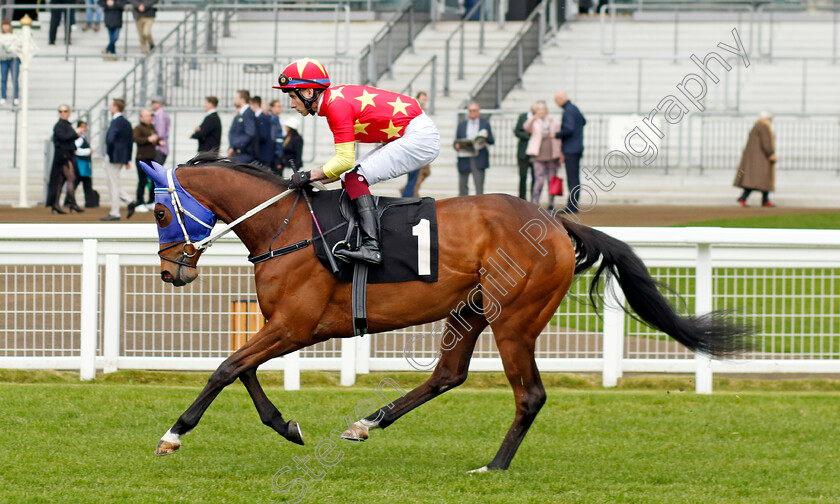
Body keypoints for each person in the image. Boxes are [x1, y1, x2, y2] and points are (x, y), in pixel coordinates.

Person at [276, 57, 440, 265]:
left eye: (292, 96)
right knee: (349, 177)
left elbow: (345, 160)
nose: (291, 105)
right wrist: (312, 181)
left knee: (355, 177)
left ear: (309, 93)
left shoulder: (336, 107)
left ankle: (372, 247)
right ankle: (358, 238)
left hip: (419, 137)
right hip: (410, 132)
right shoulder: (334, 102)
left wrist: (309, 175)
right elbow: (343, 167)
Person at [524, 101, 563, 209]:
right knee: (539, 180)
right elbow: (526, 127)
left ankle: (551, 204)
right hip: (538, 155)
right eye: (539, 110)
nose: (541, 112)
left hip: (552, 154)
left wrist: (560, 153)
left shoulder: (552, 121)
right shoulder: (533, 121)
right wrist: (533, 118)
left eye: (543, 110)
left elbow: (558, 136)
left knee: (551, 180)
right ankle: (534, 203)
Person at [735, 110, 777, 207]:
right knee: (761, 179)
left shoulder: (757, 126)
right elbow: (766, 143)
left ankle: (763, 199)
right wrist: (771, 154)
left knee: (759, 181)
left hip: (755, 158)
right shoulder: (764, 127)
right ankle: (748, 198)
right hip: (761, 159)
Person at [46, 104, 82, 214]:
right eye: (60, 111)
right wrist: (75, 133)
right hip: (62, 157)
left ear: (69, 112)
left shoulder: (66, 125)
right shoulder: (59, 126)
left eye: (65, 111)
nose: (63, 113)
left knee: (61, 181)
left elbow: (68, 139)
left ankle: (57, 204)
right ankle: (70, 202)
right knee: (70, 178)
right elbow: (63, 137)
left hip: (67, 155)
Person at [554, 90, 586, 213]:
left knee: (572, 179)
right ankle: (573, 204)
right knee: (575, 178)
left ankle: (572, 206)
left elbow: (569, 129)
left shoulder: (568, 111)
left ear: (560, 99)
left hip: (570, 149)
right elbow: (583, 122)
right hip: (577, 147)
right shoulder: (574, 109)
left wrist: (556, 134)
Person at [102, 98, 133, 221]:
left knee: (113, 184)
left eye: (111, 105)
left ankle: (115, 212)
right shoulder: (126, 122)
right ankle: (129, 201)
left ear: (116, 107)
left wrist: (109, 152)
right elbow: (130, 142)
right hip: (121, 157)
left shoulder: (116, 122)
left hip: (114, 156)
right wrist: (127, 159)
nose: (110, 107)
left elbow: (110, 139)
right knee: (112, 182)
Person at [454, 101, 494, 196]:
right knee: (463, 187)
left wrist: (486, 136)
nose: (472, 112)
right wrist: (457, 145)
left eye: (474, 110)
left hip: (478, 157)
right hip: (464, 158)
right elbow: (456, 141)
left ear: (478, 111)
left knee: (479, 187)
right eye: (470, 110)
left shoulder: (484, 124)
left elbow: (491, 140)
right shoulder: (462, 125)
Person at [400, 90, 432, 198]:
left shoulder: (422, 112)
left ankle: (408, 193)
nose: (423, 102)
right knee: (414, 177)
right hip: (414, 148)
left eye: (425, 100)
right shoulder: (413, 113)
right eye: (421, 100)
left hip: (420, 147)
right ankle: (408, 196)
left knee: (420, 174)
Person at [129, 108, 158, 217]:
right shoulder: (138, 128)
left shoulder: (151, 127)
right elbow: (135, 138)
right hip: (142, 158)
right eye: (146, 116)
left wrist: (158, 141)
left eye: (150, 116)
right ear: (141, 118)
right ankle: (139, 202)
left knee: (154, 180)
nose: (149, 117)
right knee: (142, 181)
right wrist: (148, 139)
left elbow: (154, 138)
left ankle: (151, 201)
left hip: (151, 157)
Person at [513, 102, 536, 200]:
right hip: (523, 152)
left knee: (535, 177)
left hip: (535, 154)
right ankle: (522, 198)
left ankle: (533, 199)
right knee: (523, 176)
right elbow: (517, 131)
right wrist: (528, 136)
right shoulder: (523, 117)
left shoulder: (539, 119)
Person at [228, 89, 257, 163]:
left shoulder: (248, 113)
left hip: (243, 154)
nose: (235, 100)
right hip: (238, 153)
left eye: (236, 98)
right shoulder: (242, 113)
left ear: (242, 99)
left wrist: (238, 146)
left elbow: (250, 133)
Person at [73, 120, 99, 208]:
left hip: (84, 164)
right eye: (82, 126)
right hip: (80, 164)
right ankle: (70, 200)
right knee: (76, 183)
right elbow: (75, 150)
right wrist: (88, 151)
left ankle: (90, 202)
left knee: (86, 183)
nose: (84, 128)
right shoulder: (77, 137)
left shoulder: (82, 137)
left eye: (85, 126)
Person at [251, 95, 274, 168]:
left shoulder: (262, 118)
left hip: (263, 154)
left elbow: (263, 136)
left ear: (255, 105)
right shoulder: (259, 117)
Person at [0, 19, 19, 106]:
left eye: (7, 25)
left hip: (13, 59)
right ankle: (3, 97)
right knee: (3, 78)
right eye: (4, 25)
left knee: (14, 78)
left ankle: (15, 97)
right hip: (3, 59)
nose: (5, 27)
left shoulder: (15, 36)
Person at [150, 94, 170, 165]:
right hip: (161, 148)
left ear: (159, 104)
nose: (151, 104)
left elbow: (160, 133)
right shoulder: (162, 114)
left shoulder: (159, 115)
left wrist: (152, 138)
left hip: (159, 148)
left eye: (153, 102)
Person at [267, 99, 285, 174]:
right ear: (272, 108)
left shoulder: (277, 119)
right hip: (275, 153)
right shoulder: (272, 120)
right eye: (278, 106)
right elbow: (275, 138)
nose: (280, 108)